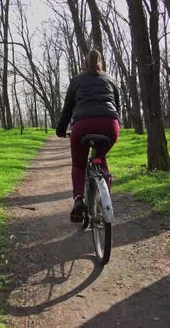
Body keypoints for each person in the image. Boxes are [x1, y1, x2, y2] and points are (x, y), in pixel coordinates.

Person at [56, 49, 121, 223]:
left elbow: (67, 109)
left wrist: (60, 130)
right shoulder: (110, 79)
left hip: (83, 125)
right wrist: (115, 123)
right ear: (101, 63)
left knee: (79, 165)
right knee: (101, 156)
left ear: (84, 64)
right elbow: (117, 106)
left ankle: (79, 200)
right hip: (110, 125)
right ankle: (104, 198)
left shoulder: (77, 80)